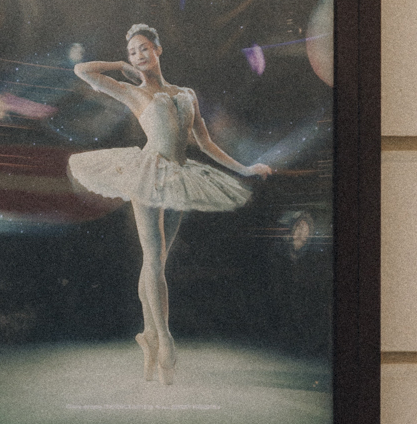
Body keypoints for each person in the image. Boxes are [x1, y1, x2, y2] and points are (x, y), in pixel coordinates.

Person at [68, 24, 271, 385]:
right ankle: (164, 338)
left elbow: (206, 144)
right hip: (147, 173)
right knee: (152, 256)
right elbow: (82, 71)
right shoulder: (132, 93)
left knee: (159, 261)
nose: (139, 56)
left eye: (143, 48)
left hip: (177, 176)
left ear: (158, 49)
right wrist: (118, 63)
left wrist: (245, 168)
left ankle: (148, 336)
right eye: (133, 52)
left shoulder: (185, 94)